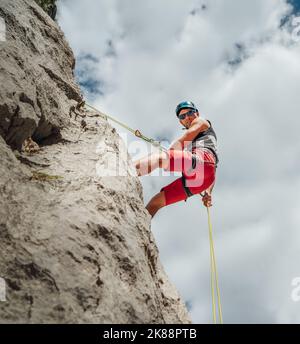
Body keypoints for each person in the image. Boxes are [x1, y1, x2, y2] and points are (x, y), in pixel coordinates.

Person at [133, 101, 219, 218]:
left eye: (190, 113)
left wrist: (169, 153)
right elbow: (212, 169)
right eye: (182, 116)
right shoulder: (202, 139)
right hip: (203, 178)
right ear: (180, 121)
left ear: (197, 113)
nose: (187, 117)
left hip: (201, 161)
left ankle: (127, 171)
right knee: (156, 202)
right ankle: (140, 224)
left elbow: (185, 139)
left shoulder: (200, 121)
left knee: (159, 158)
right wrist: (208, 192)